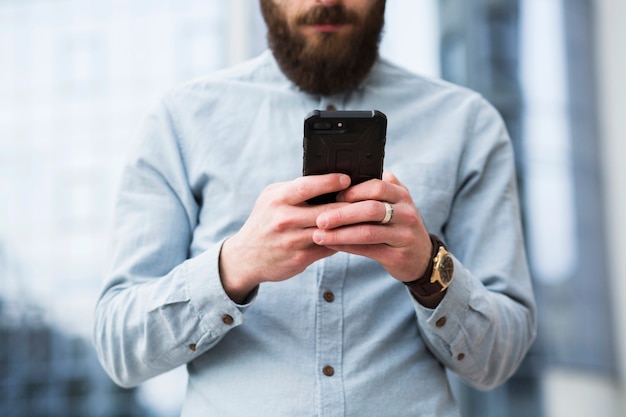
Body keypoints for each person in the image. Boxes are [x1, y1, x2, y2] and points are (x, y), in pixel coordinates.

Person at [93, 0, 536, 415]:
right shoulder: (180, 121)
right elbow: (119, 348)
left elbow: (500, 360)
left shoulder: (468, 123)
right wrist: (232, 268)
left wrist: (428, 270)